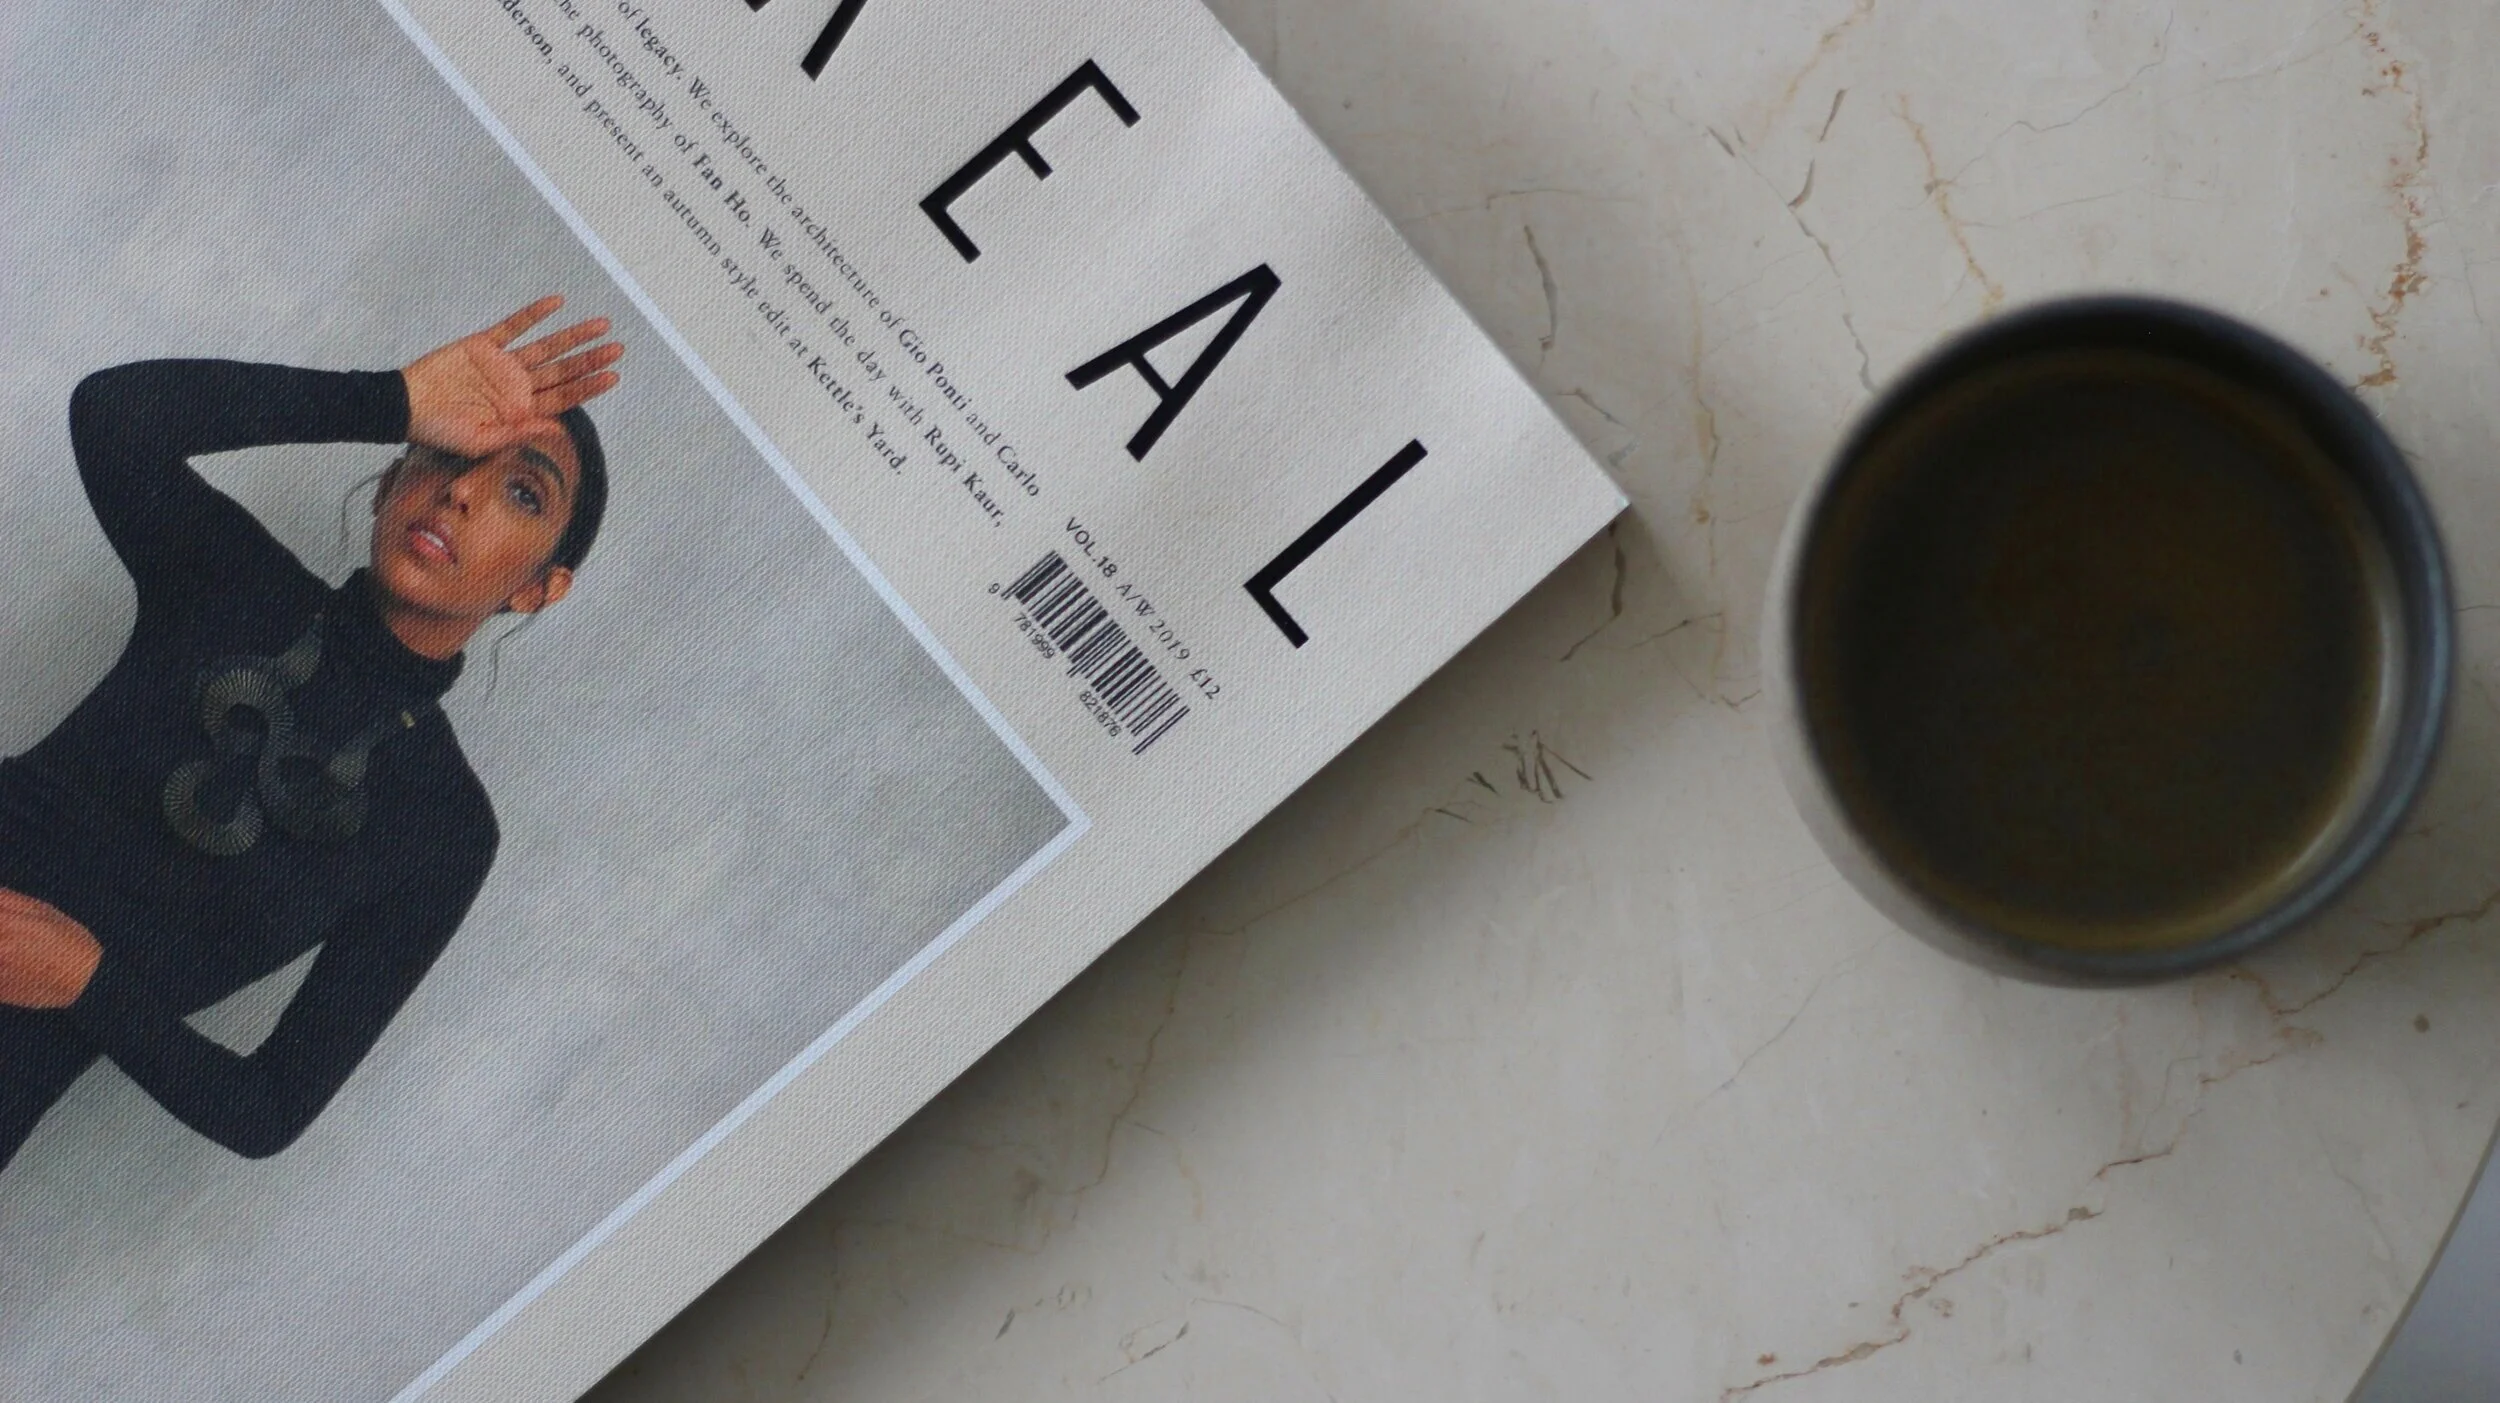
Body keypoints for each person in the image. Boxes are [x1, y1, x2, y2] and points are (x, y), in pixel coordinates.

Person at [0, 296, 623, 1170]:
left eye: (522, 491)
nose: (460, 490)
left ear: (539, 588)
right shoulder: (230, 579)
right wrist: (391, 399)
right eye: (448, 454)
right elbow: (114, 414)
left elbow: (268, 1108)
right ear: (391, 482)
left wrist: (87, 984)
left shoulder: (442, 831)